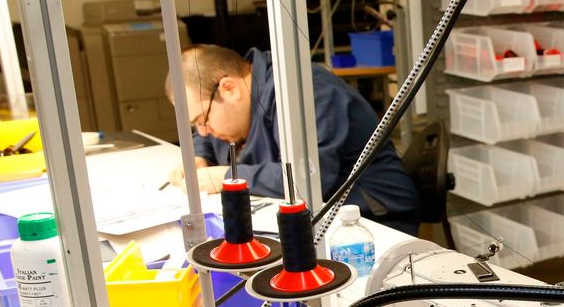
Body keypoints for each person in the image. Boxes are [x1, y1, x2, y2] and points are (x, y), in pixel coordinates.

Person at [167, 44, 421, 235]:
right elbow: (207, 137)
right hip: (318, 220)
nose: (203, 131)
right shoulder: (244, 95)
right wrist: (200, 156)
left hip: (372, 223)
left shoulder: (302, 93)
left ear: (229, 88)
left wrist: (227, 177)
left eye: (202, 120)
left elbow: (307, 177)